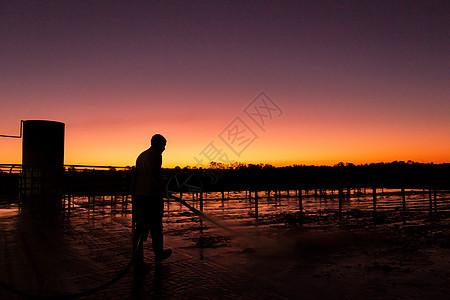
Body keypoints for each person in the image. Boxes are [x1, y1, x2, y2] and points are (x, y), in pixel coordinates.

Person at [132, 134, 171, 269]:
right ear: (157, 144)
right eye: (163, 145)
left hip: (139, 195)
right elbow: (154, 176)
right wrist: (163, 190)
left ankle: (138, 259)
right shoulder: (156, 155)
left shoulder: (142, 155)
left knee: (140, 227)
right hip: (151, 195)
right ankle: (158, 253)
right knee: (156, 226)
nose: (164, 148)